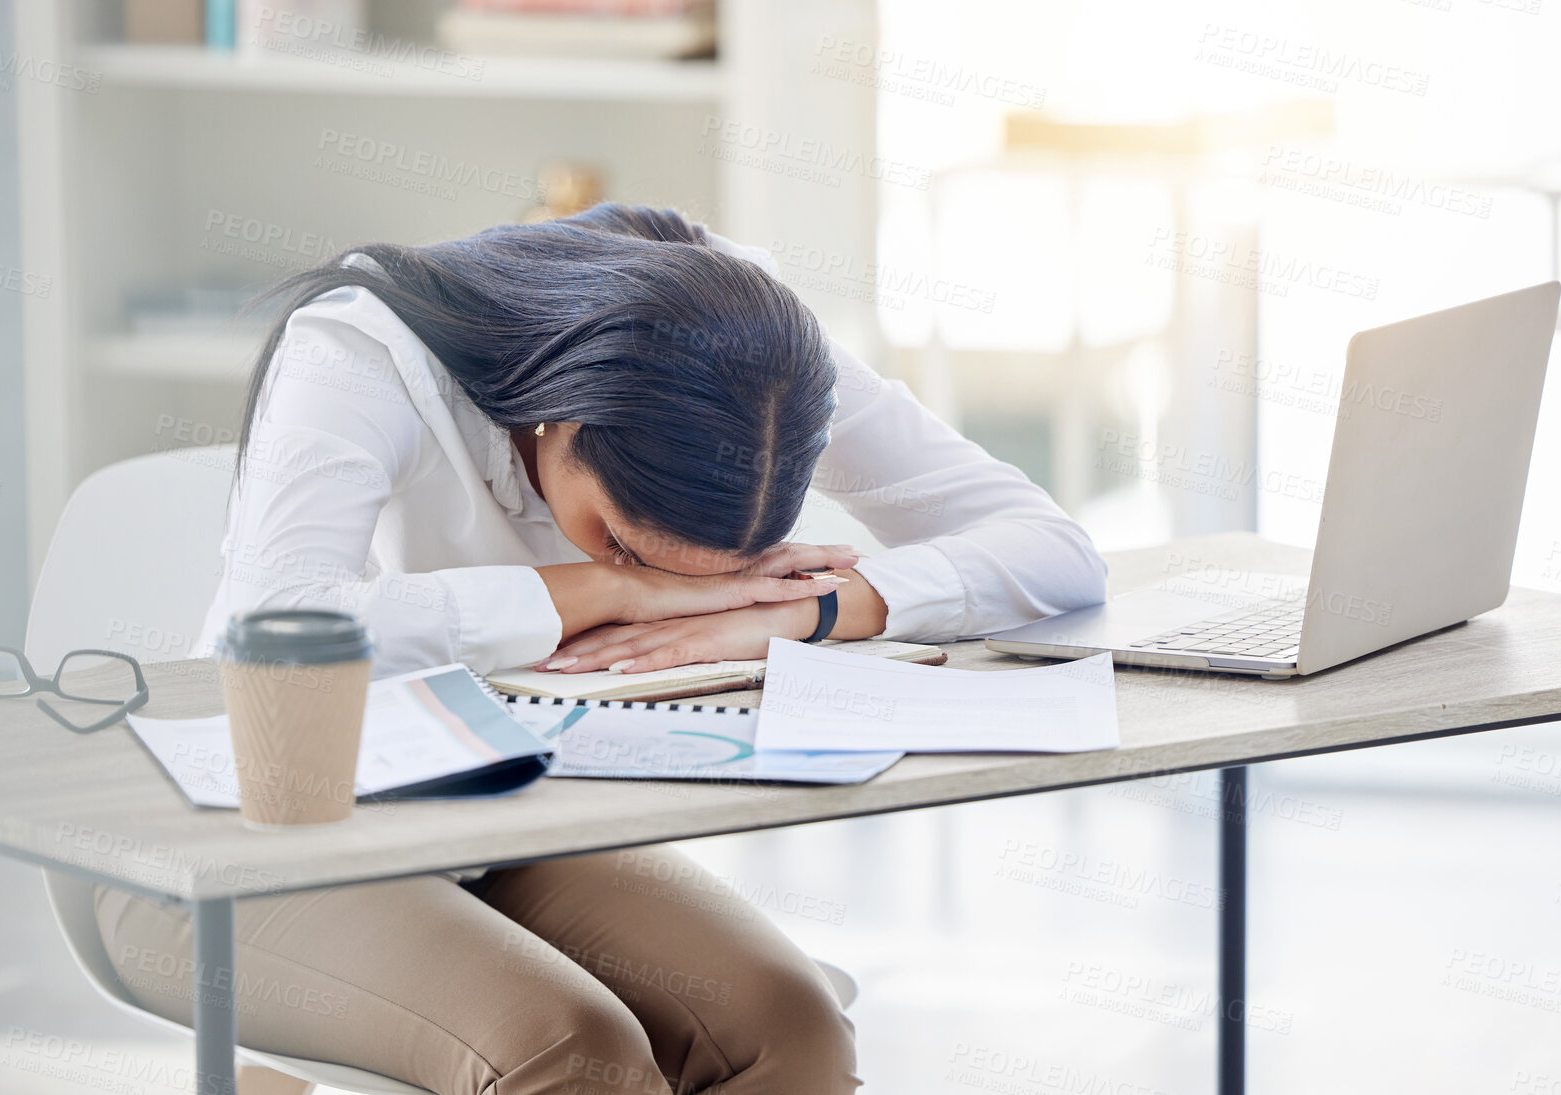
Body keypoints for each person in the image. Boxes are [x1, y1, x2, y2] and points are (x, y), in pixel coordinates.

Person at [97, 203, 1107, 1094]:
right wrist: (600, 588)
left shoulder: (748, 353)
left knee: (789, 1036)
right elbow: (270, 621)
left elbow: (1052, 550)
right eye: (620, 536)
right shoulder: (362, 351)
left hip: (495, 823)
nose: (655, 576)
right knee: (571, 1055)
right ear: (561, 414)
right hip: (238, 835)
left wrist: (816, 610)